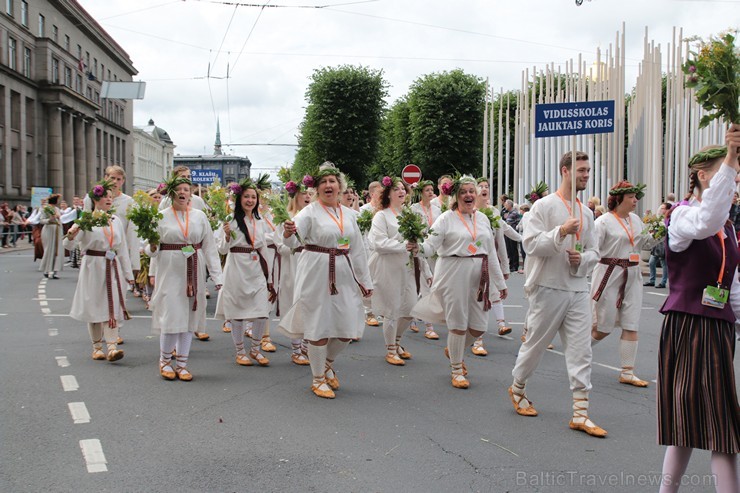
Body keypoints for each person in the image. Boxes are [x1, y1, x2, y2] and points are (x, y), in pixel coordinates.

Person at [657, 131, 740, 493]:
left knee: (701, 426)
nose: (734, 179)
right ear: (703, 175)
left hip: (717, 329)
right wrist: (732, 155)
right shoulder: (683, 216)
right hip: (689, 325)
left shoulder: (729, 229)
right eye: (726, 172)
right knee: (713, 427)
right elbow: (708, 217)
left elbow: (732, 289)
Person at [509, 151, 607, 438]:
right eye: (581, 170)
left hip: (577, 288)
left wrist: (583, 260)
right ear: (565, 170)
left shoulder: (586, 212)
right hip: (547, 286)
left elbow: (594, 252)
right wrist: (561, 232)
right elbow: (530, 245)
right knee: (536, 345)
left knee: (581, 351)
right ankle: (517, 388)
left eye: (588, 170)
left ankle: (580, 412)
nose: (586, 175)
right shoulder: (543, 206)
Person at [279, 163, 373, 399]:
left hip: (344, 272)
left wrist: (365, 281)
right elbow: (292, 241)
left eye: (332, 181)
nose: (328, 185)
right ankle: (318, 378)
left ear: (340, 186)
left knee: (347, 326)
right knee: (318, 323)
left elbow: (359, 250)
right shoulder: (309, 212)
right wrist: (289, 232)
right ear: (316, 188)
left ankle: (327, 363)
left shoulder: (351, 215)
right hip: (316, 272)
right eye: (323, 182)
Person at [411, 175, 507, 389]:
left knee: (479, 327)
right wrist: (417, 248)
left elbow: (490, 253)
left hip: (479, 277)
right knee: (458, 324)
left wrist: (500, 283)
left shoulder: (482, 219)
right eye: (463, 192)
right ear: (456, 195)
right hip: (453, 274)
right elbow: (431, 245)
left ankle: (455, 350)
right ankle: (457, 369)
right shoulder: (446, 218)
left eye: (471, 191)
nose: (468, 195)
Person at [145, 174, 223, 381]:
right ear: (171, 193)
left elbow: (209, 248)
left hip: (194, 269)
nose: (182, 193)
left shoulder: (199, 216)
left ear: (190, 193)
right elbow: (148, 249)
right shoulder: (160, 216)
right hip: (170, 271)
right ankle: (164, 361)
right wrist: (152, 249)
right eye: (178, 189)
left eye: (186, 190)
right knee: (172, 314)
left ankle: (182, 363)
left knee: (190, 315)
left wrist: (217, 277)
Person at [590, 181, 657, 388]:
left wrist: (658, 235)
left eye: (636, 196)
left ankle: (627, 371)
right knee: (603, 326)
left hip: (633, 274)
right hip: (609, 274)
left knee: (631, 322)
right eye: (631, 197)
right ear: (619, 199)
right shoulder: (603, 222)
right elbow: (593, 249)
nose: (635, 200)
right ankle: (578, 351)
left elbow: (644, 243)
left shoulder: (636, 220)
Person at [65, 181, 134, 362]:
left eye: (111, 197)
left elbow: (123, 249)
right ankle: (97, 347)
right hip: (92, 266)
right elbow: (70, 245)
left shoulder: (115, 221)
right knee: (94, 306)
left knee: (110, 306)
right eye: (105, 197)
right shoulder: (85, 220)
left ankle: (112, 347)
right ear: (96, 199)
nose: (109, 200)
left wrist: (129, 275)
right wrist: (71, 234)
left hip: (112, 265)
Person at [215, 177, 275, 368]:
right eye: (246, 197)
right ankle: (240, 351)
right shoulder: (230, 220)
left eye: (253, 197)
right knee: (238, 312)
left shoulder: (259, 220)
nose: (250, 200)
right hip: (237, 268)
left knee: (261, 311)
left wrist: (269, 276)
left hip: (256, 268)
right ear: (240, 199)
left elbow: (264, 247)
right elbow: (222, 249)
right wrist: (225, 236)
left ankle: (255, 349)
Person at [368, 176, 424, 366]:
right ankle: (390, 349)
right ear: (388, 194)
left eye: (403, 189)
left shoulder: (408, 214)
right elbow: (378, 243)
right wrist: (403, 245)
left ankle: (397, 341)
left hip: (406, 266)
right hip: (388, 266)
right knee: (391, 309)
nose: (401, 191)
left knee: (410, 308)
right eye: (396, 189)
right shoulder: (381, 215)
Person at [274, 179, 312, 365]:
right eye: (304, 193)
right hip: (292, 263)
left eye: (309, 193)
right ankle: (296, 348)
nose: (307, 196)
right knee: (293, 301)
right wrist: (292, 247)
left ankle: (306, 345)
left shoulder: (313, 215)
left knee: (309, 302)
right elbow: (279, 245)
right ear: (295, 196)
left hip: (311, 263)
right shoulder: (286, 216)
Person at [409, 179, 442, 340]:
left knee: (433, 285)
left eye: (431, 189)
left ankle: (415, 313)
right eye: (427, 190)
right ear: (421, 192)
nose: (430, 192)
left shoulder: (437, 209)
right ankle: (429, 326)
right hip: (420, 250)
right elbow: (412, 230)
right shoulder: (414, 209)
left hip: (434, 250)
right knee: (424, 285)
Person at [359, 181, 383, 328]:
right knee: (368, 281)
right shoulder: (364, 210)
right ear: (372, 194)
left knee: (380, 282)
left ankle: (379, 309)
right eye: (380, 193)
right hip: (367, 250)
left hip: (380, 251)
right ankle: (368, 312)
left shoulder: (383, 210)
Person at [645, 202, 671, 288]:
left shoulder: (669, 218)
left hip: (663, 244)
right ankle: (652, 280)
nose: (661, 209)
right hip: (657, 244)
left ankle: (663, 282)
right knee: (651, 262)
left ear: (667, 209)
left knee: (664, 263)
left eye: (663, 208)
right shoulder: (659, 219)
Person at [39, 194, 64, 279]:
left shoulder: (57, 209)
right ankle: (46, 270)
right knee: (49, 249)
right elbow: (41, 220)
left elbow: (60, 219)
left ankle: (55, 271)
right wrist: (49, 220)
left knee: (58, 250)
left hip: (57, 229)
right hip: (49, 230)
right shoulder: (45, 209)